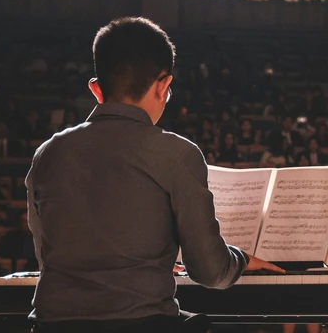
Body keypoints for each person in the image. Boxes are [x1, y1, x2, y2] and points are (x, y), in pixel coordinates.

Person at [25, 17, 283, 333]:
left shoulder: (47, 153)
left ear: (96, 88)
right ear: (163, 86)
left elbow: (47, 254)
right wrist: (239, 258)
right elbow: (210, 272)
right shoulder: (177, 154)